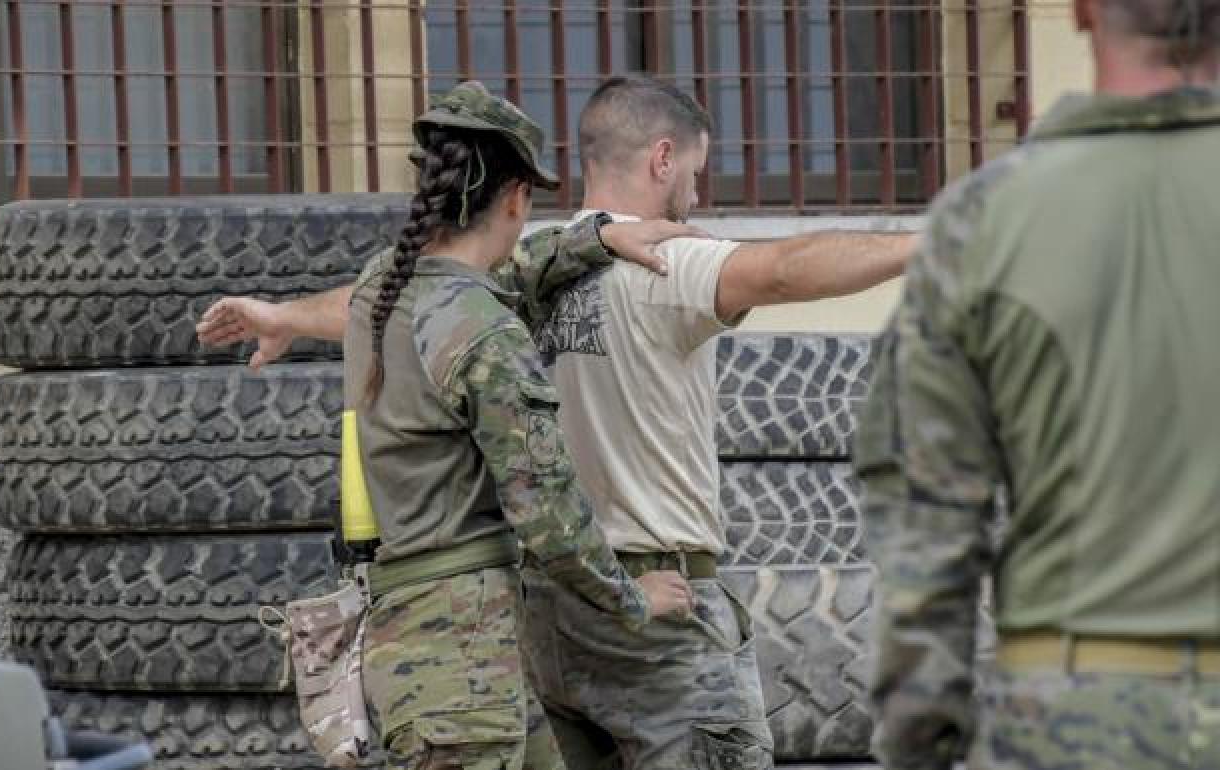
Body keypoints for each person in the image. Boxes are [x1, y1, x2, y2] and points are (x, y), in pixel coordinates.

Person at [199, 76, 914, 770]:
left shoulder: (478, 275)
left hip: (534, 616)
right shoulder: (649, 265)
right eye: (695, 170)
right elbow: (789, 268)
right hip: (635, 607)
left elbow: (381, 297)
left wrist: (285, 314)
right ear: (663, 158)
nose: (697, 190)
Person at [853, 1, 1220, 768]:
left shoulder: (980, 225)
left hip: (1070, 720)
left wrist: (921, 742)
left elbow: (927, 530)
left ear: (1083, 11)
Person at [336, 81, 692, 770]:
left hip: (424, 647)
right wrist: (632, 599)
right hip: (463, 669)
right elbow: (550, 517)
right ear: (516, 199)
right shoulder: (485, 336)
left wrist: (597, 236)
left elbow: (507, 273)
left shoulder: (379, 288)